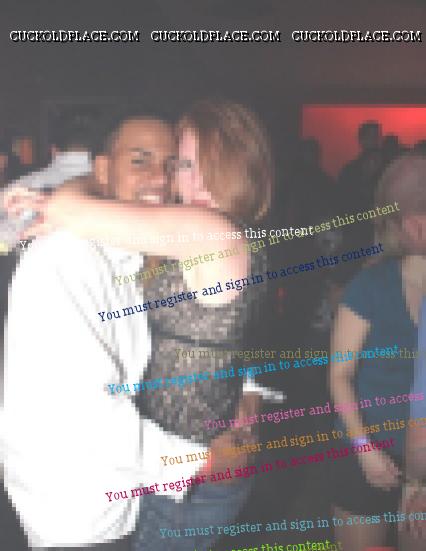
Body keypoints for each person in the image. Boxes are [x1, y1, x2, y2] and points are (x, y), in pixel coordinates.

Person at [4, 100, 279, 551]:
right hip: (111, 494)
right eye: (183, 165)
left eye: (179, 163)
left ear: (244, 169)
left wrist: (66, 194)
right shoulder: (90, 255)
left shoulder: (212, 235)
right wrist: (246, 391)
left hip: (177, 479)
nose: (178, 180)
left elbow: (69, 206)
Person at [1, 114, 176, 550]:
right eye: (140, 160)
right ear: (102, 170)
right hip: (75, 509)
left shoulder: (128, 253)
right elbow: (88, 412)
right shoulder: (68, 258)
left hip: (110, 493)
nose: (160, 178)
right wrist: (197, 464)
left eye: (171, 164)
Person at [329, 155, 426, 551]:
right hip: (364, 452)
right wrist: (364, 449)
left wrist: (419, 479)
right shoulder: (369, 286)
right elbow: (339, 374)